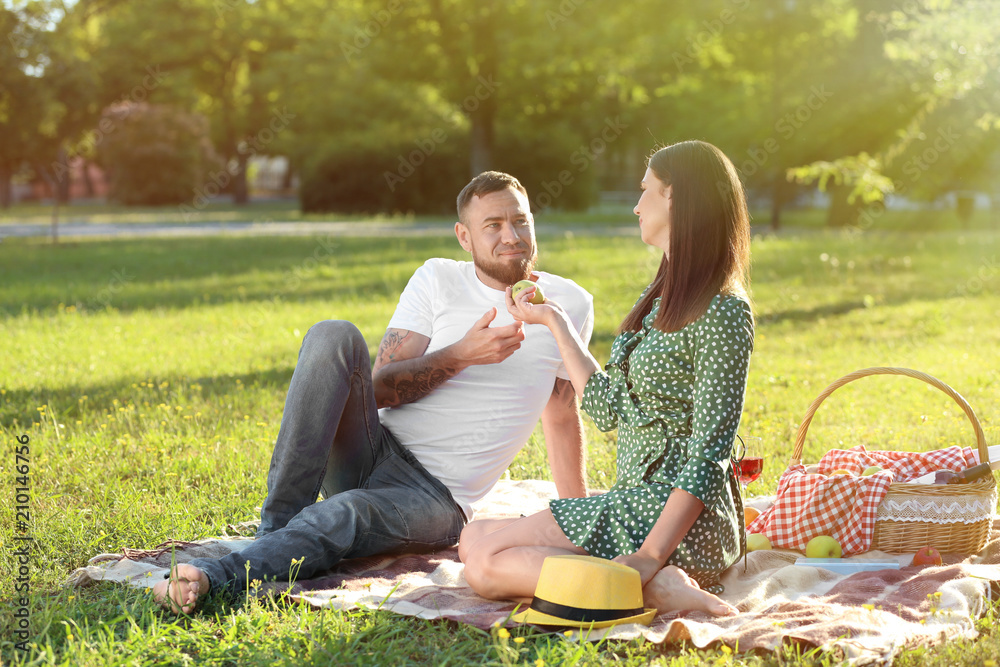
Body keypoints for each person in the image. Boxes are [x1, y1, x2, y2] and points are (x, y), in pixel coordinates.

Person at [153, 171, 594, 614]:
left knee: (344, 514)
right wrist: (460, 355)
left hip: (436, 498)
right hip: (373, 449)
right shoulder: (438, 278)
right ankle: (277, 531)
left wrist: (578, 520)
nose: (511, 236)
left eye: (520, 221)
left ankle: (218, 576)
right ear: (464, 236)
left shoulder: (568, 305)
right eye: (492, 225)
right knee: (333, 335)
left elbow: (560, 411)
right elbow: (380, 389)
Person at [459, 141, 753, 617]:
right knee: (472, 537)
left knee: (486, 565)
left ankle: (650, 585)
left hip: (675, 521)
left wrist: (649, 557)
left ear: (675, 197)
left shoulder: (723, 310)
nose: (636, 205)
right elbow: (606, 408)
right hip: (634, 503)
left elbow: (710, 454)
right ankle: (646, 585)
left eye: (645, 191)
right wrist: (554, 321)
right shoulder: (662, 298)